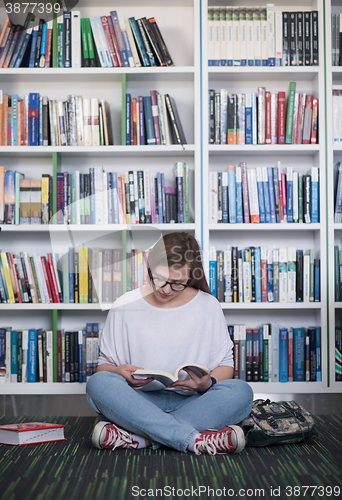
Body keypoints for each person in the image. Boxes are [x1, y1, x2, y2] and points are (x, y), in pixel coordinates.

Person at [86, 232, 253, 455]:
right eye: (159, 278)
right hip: (138, 404)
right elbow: (104, 366)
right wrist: (118, 372)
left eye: (176, 283)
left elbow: (225, 365)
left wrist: (207, 383)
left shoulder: (208, 305)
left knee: (241, 391)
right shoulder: (125, 304)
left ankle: (141, 438)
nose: (164, 289)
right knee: (98, 383)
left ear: (191, 276)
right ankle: (194, 439)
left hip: (194, 403)